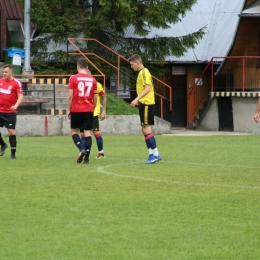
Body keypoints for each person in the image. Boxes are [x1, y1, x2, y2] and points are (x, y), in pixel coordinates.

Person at [128, 54, 161, 164]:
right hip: (144, 104)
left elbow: (148, 88)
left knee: (146, 129)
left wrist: (136, 99)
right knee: (144, 129)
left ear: (137, 62)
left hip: (147, 104)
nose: (131, 67)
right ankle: (151, 154)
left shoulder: (144, 72)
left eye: (132, 64)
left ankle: (156, 154)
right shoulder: (141, 73)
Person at [67, 58, 97, 164]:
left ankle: (81, 149)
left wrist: (68, 109)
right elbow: (95, 96)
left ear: (77, 67)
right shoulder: (93, 80)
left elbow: (70, 96)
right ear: (87, 67)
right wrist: (93, 107)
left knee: (74, 132)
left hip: (76, 108)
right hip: (88, 108)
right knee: (88, 133)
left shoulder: (73, 79)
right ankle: (87, 159)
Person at [80, 69, 106, 158]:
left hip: (93, 113)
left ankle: (101, 152)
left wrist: (104, 111)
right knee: (83, 133)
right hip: (83, 112)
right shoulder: (82, 86)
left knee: (96, 132)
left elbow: (104, 97)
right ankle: (83, 152)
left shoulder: (97, 85)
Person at [0, 64, 24, 159]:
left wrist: (16, 105)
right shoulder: (0, 82)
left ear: (11, 72)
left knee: (11, 131)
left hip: (10, 112)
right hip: (0, 110)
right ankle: (3, 144)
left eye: (6, 72)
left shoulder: (16, 83)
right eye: (3, 72)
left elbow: (20, 96)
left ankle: (13, 154)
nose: (4, 74)